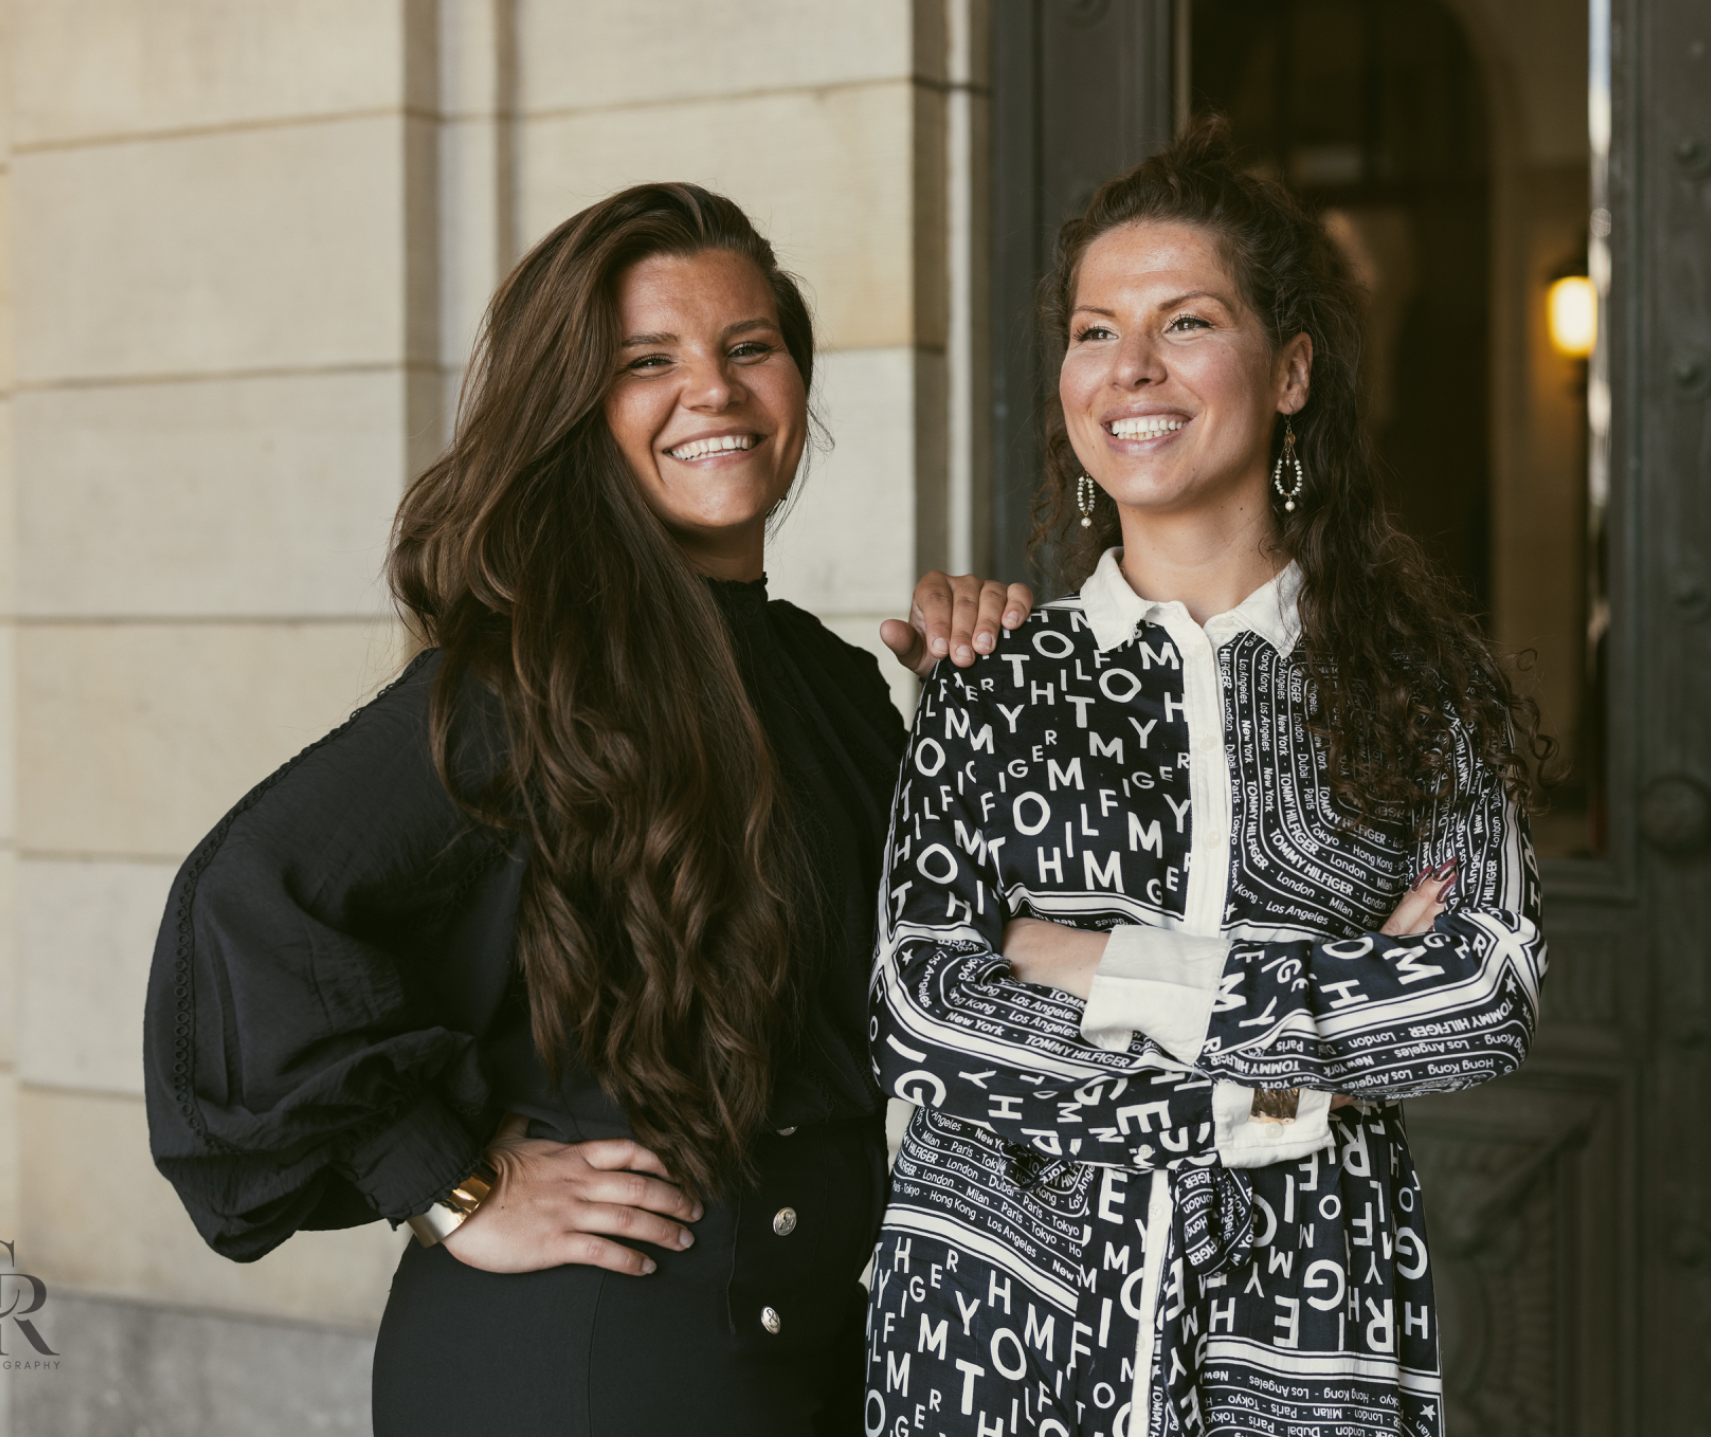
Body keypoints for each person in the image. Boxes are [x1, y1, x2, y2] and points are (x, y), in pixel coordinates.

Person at [142, 182, 1030, 1436]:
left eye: (748, 347)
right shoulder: (526, 684)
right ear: (574, 410)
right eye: (645, 361)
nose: (712, 390)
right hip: (587, 1360)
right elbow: (245, 899)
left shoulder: (830, 682)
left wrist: (982, 709)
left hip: (813, 1356)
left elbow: (965, 966)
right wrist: (446, 1185)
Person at [862, 119, 1548, 1437]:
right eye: (1093, 330)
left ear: (1289, 370)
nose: (1130, 367)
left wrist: (1092, 962)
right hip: (1001, 1304)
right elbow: (923, 1009)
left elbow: (1481, 991)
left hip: (1305, 1304)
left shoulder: (1418, 686)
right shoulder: (996, 672)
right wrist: (1296, 1073)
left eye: (1184, 322)